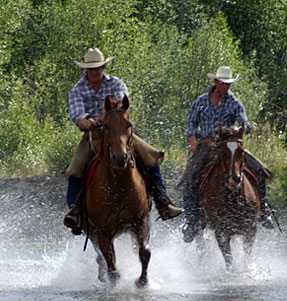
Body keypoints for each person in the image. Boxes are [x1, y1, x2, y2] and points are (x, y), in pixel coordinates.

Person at [63, 48, 182, 235]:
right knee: (76, 167)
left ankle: (163, 200)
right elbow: (76, 114)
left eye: (98, 68)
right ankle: (75, 210)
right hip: (92, 135)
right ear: (86, 70)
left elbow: (121, 105)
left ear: (103, 67)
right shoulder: (78, 89)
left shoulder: (116, 83)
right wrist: (84, 121)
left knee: (150, 156)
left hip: (119, 131)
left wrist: (106, 117)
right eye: (91, 69)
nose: (95, 72)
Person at [180, 66, 274, 243]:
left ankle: (264, 211)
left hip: (230, 143)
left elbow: (245, 122)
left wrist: (240, 129)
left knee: (260, 170)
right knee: (190, 177)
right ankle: (191, 220)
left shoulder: (234, 102)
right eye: (223, 83)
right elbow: (191, 122)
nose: (226, 87)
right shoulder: (201, 101)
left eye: (228, 84)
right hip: (207, 145)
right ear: (216, 82)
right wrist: (193, 141)